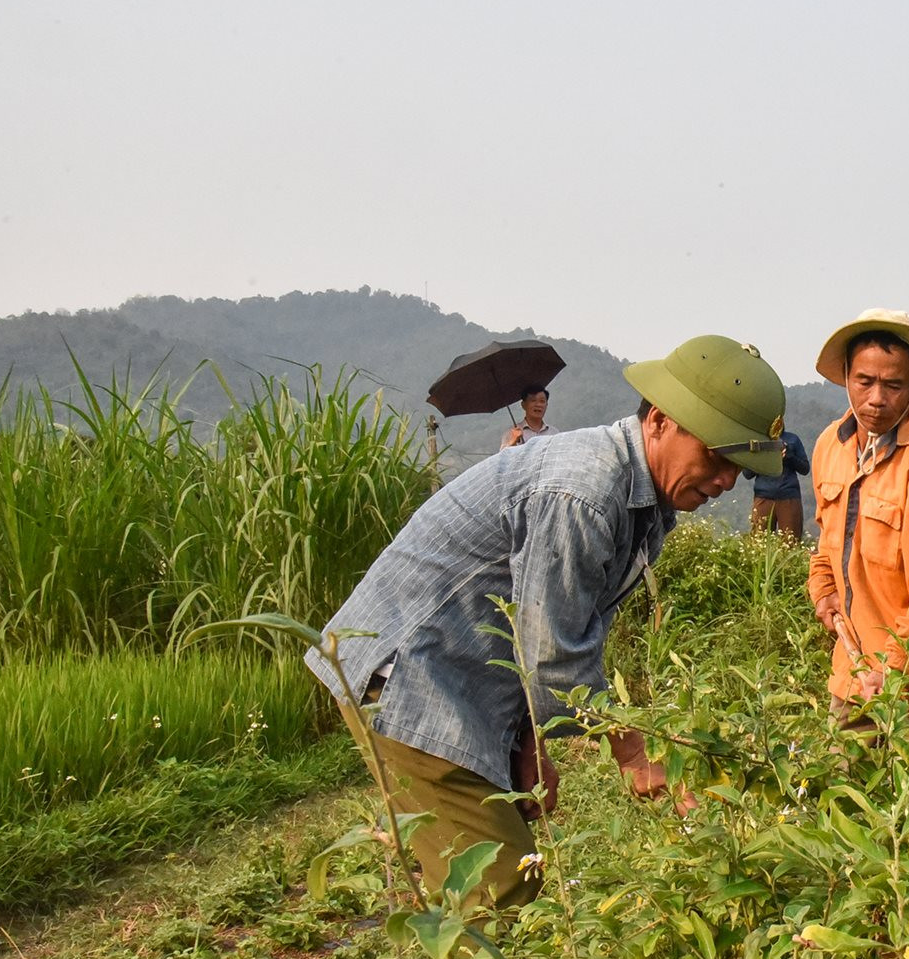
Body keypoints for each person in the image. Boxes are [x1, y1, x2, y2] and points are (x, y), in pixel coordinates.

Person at [309, 336, 788, 910]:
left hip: (465, 681)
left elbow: (563, 619)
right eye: (715, 457)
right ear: (660, 421)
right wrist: (632, 753)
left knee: (480, 878)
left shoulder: (648, 504)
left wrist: (529, 741)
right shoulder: (583, 492)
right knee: (501, 889)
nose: (723, 482)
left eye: (738, 469)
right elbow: (553, 650)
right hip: (412, 678)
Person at [805, 309, 909, 730]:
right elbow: (827, 540)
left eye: (893, 385)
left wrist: (894, 671)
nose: (876, 399)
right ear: (846, 376)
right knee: (836, 792)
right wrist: (823, 589)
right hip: (849, 680)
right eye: (864, 381)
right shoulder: (831, 445)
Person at [749, 428, 811, 537]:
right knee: (759, 544)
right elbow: (747, 473)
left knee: (791, 542)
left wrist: (789, 456)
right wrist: (761, 454)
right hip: (763, 497)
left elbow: (805, 469)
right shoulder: (758, 440)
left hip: (789, 496)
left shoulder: (793, 440)